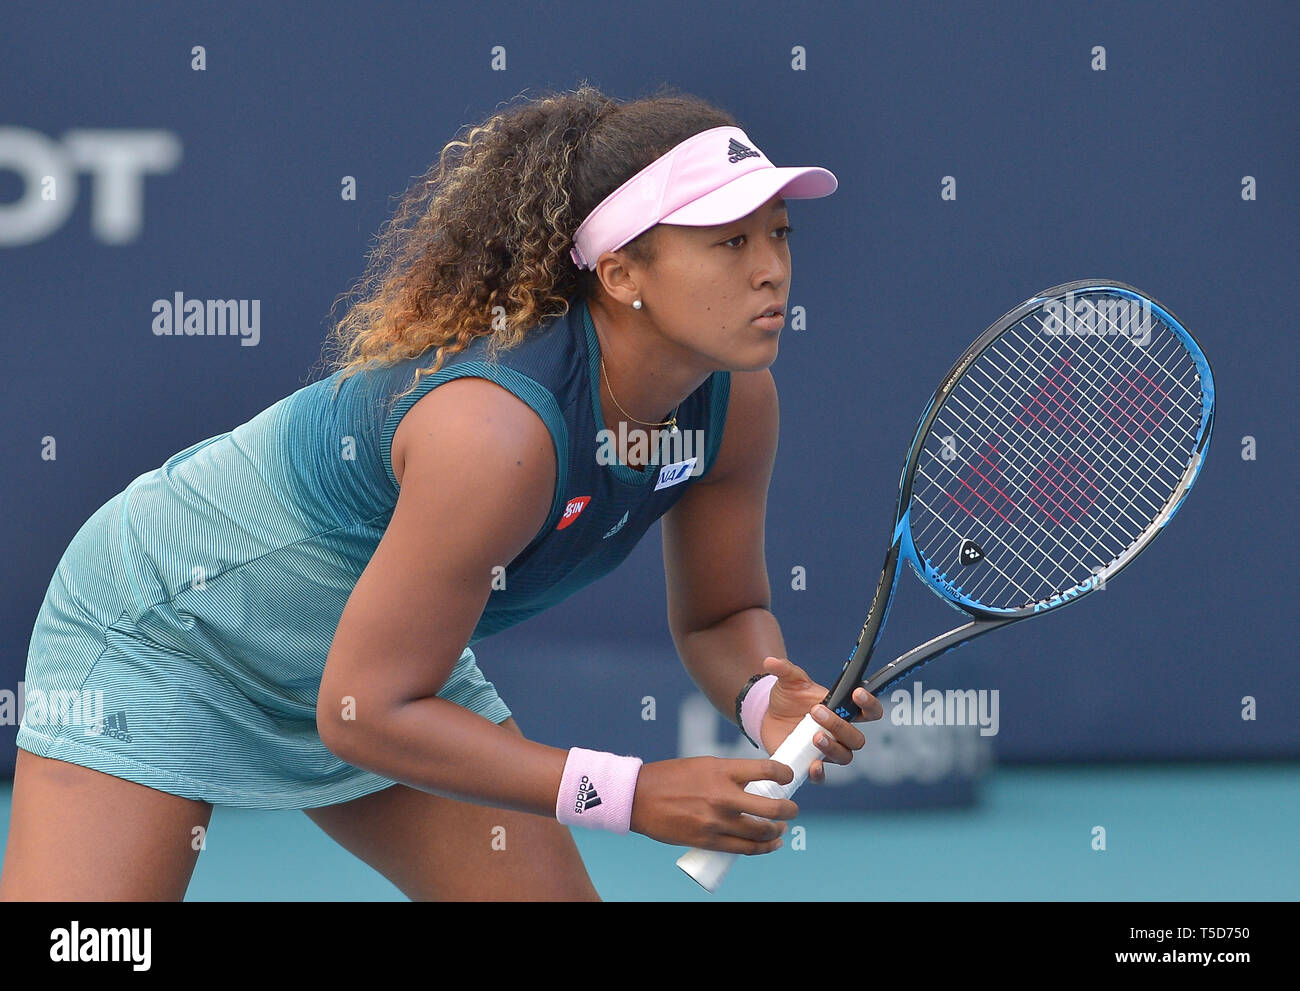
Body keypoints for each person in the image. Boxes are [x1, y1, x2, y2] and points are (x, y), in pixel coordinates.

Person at [0, 82, 882, 901]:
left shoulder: (734, 405)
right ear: (620, 274)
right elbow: (367, 711)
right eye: (731, 241)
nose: (771, 269)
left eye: (778, 235)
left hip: (382, 669)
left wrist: (770, 700)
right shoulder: (496, 433)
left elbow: (720, 619)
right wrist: (632, 792)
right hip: (167, 633)